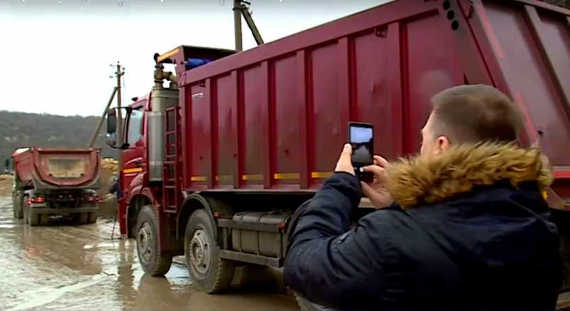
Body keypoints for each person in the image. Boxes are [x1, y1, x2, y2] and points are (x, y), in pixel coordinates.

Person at [284, 85, 561, 310]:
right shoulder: (539, 225)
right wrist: (401, 203)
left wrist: (341, 184)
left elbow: (303, 264)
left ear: (441, 146)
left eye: (424, 139)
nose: (421, 147)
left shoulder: (391, 239)